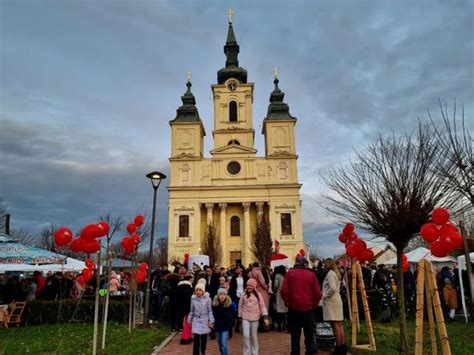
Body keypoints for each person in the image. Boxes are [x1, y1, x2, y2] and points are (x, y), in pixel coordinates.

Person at [281, 256, 321, 355]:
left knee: (295, 335)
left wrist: (287, 302)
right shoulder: (311, 275)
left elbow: (283, 290)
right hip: (308, 308)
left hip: (294, 308)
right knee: (309, 335)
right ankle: (309, 352)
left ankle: (295, 352)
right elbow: (317, 294)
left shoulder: (290, 273)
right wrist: (313, 305)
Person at [322, 258, 346, 355]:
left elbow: (332, 288)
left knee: (335, 325)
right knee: (339, 325)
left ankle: (339, 348)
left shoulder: (330, 274)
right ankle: (342, 346)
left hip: (332, 301)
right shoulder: (336, 273)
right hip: (336, 299)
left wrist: (325, 295)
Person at [239, 278, 269, 355]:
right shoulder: (243, 294)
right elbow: (240, 306)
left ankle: (255, 352)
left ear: (254, 286)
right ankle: (247, 352)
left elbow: (262, 306)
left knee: (254, 336)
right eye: (247, 285)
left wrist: (265, 316)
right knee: (246, 336)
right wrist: (239, 316)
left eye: (251, 285)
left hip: (255, 317)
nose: (249, 287)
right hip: (245, 317)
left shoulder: (258, 295)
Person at [188, 281, 214, 355]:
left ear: (203, 291)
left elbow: (210, 311)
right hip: (196, 320)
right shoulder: (193, 299)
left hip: (204, 320)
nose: (198, 292)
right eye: (197, 290)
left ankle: (202, 351)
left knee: (203, 338)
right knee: (196, 339)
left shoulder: (208, 299)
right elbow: (191, 311)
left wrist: (210, 321)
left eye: (200, 290)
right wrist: (189, 321)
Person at [212, 288, 234, 355]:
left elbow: (232, 314)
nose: (222, 296)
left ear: (226, 295)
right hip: (217, 327)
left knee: (224, 344)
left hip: (225, 327)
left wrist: (229, 320)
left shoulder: (229, 305)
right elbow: (212, 314)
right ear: (218, 295)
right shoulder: (215, 305)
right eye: (220, 294)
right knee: (220, 344)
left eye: (224, 294)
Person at [229, 263, 248, 333]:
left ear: (242, 269)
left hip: (243, 296)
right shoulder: (234, 278)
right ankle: (233, 325)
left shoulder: (246, 277)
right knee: (235, 310)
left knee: (242, 311)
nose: (237, 269)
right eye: (236, 268)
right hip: (235, 296)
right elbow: (231, 288)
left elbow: (247, 286)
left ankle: (238, 325)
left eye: (238, 268)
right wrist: (229, 296)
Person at [273, 265, 288, 332]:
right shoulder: (286, 275)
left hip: (279, 293)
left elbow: (276, 285)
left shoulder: (277, 276)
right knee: (285, 311)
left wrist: (274, 292)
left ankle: (279, 326)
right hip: (286, 293)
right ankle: (285, 325)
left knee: (279, 311)